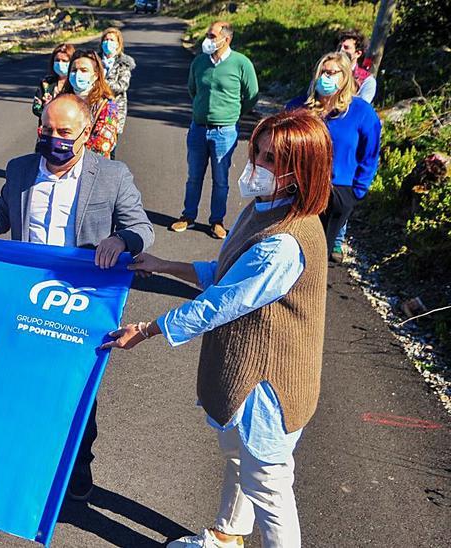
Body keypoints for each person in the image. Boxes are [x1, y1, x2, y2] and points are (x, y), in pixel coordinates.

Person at [101, 110, 333, 548]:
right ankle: (226, 536)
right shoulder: (264, 210)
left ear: (301, 172)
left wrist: (149, 329)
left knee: (268, 483)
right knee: (240, 460)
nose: (257, 166)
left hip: (270, 381)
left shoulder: (286, 240)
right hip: (248, 373)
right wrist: (165, 264)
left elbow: (222, 303)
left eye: (272, 160)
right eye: (258, 153)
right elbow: (224, 271)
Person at [0, 94, 154, 500]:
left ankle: (78, 467)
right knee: (20, 380)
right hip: (26, 298)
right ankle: (22, 463)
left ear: (86, 134)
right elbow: (2, 212)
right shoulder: (20, 169)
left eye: (65, 133)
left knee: (75, 389)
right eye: (47, 130)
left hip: (81, 301)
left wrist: (120, 239)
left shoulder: (113, 175)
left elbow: (142, 229)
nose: (54, 139)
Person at [286, 52, 381, 263]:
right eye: (322, 72)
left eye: (332, 73)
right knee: (289, 246)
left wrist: (357, 191)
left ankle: (308, 293)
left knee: (317, 254)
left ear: (344, 77)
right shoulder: (298, 108)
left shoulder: (361, 112)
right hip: (300, 189)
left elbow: (370, 154)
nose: (325, 77)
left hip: (337, 192)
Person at [172, 20, 259, 239]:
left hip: (225, 132)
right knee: (194, 176)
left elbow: (252, 95)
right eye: (208, 35)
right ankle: (188, 215)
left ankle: (217, 221)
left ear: (226, 39)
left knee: (220, 178)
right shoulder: (199, 62)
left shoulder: (241, 63)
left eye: (212, 36)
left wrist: (233, 113)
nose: (207, 40)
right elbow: (193, 89)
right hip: (198, 129)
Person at [60, 50, 120, 159]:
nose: (77, 74)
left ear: (96, 75)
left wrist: (70, 155)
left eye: (84, 70)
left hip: (92, 166)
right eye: (74, 70)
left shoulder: (107, 104)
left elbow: (103, 142)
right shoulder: (61, 101)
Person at [99, 28, 136, 138]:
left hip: (114, 109)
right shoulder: (94, 60)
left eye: (111, 40)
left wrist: (101, 84)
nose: (108, 43)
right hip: (94, 107)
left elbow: (122, 86)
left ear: (118, 44)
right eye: (105, 40)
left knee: (109, 145)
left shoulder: (124, 63)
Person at [33, 43, 76, 119]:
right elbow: (36, 108)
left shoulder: (77, 83)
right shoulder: (46, 83)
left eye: (64, 61)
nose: (60, 64)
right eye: (57, 60)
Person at [337, 29, 376, 103]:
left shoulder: (367, 81)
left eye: (346, 47)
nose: (340, 50)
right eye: (340, 47)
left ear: (358, 53)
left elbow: (361, 109)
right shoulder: (326, 72)